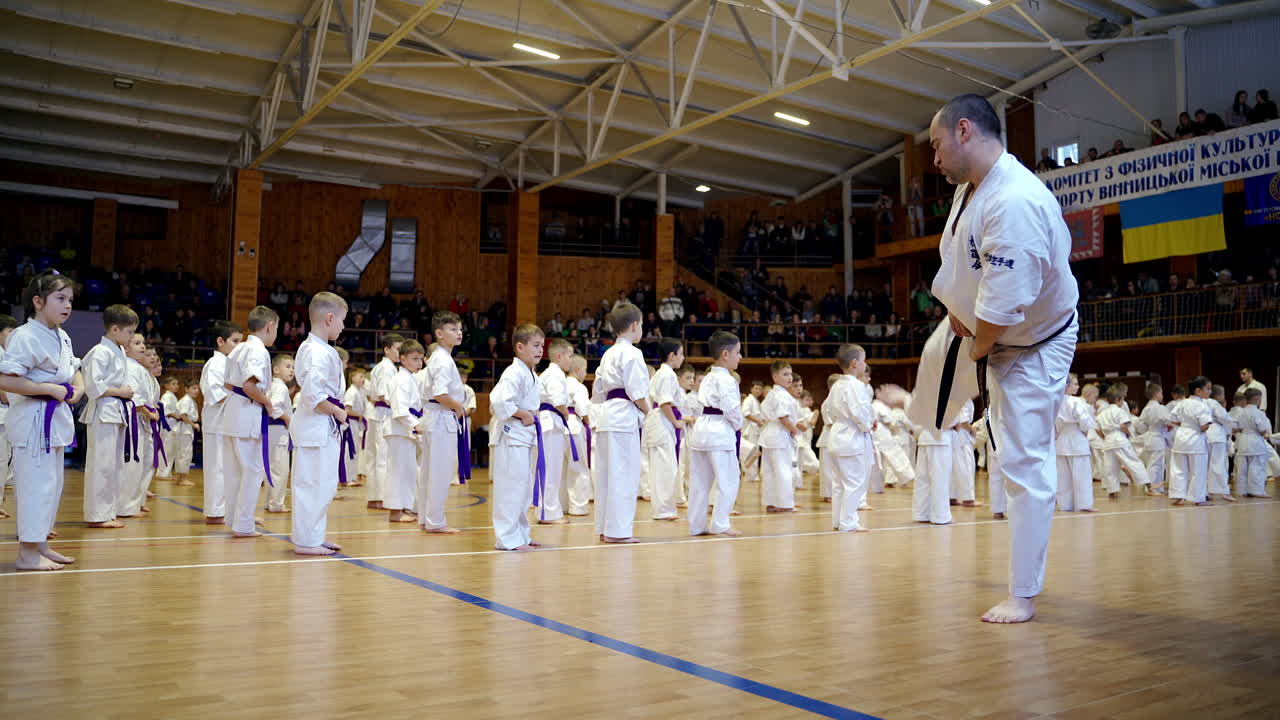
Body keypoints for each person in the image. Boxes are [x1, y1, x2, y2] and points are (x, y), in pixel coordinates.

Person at [928, 94, 1079, 623]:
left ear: (964, 130)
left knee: (1024, 464)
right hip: (987, 331)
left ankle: (1023, 593)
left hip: (1033, 343)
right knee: (937, 415)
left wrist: (976, 347)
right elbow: (960, 262)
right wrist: (956, 311)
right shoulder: (971, 188)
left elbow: (1002, 307)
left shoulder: (1015, 201)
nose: (934, 158)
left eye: (937, 144)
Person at [0, 270, 84, 570]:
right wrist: (48, 389)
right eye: (60, 298)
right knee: (35, 486)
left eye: (70, 300)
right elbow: (6, 379)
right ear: (38, 301)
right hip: (33, 419)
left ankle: (41, 545)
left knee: (52, 485)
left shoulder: (62, 336)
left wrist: (78, 388)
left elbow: (74, 369)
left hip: (55, 419)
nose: (67, 305)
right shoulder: (24, 336)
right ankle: (26, 553)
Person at [289, 291, 349, 555]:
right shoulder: (315, 351)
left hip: (322, 425)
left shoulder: (322, 349)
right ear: (330, 318)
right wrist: (338, 412)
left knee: (323, 484)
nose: (343, 327)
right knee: (311, 484)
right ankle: (306, 541)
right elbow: (313, 395)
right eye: (342, 320)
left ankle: (314, 535)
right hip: (316, 424)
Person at [591, 303, 651, 543]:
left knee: (606, 475)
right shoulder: (632, 353)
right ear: (635, 325)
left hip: (607, 415)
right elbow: (637, 391)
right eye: (642, 325)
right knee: (623, 474)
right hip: (624, 417)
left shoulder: (608, 353)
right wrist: (649, 411)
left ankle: (605, 527)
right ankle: (618, 532)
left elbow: (597, 391)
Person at [220, 306, 279, 537]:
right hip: (247, 414)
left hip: (233, 412)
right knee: (252, 471)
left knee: (235, 471)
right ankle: (243, 525)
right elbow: (249, 385)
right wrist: (267, 402)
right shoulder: (258, 350)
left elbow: (228, 383)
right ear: (270, 326)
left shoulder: (240, 348)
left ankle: (235, 519)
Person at [81, 303, 140, 529]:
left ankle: (108, 511)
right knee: (101, 465)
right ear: (115, 329)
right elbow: (92, 387)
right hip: (103, 412)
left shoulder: (118, 351)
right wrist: (121, 392)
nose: (132, 337)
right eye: (130, 332)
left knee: (113, 466)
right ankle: (97, 515)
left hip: (116, 412)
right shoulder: (100, 352)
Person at [489, 323, 545, 551]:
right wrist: (524, 414)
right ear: (520, 347)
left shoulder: (530, 373)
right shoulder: (513, 372)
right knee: (510, 488)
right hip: (512, 435)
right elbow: (500, 401)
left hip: (523, 435)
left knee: (522, 488)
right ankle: (506, 538)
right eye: (536, 345)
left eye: (542, 346)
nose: (540, 350)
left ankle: (521, 534)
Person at [688, 331, 744, 537]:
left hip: (702, 428)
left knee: (699, 482)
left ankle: (696, 525)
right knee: (728, 479)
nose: (740, 357)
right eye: (737, 352)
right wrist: (738, 425)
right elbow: (731, 409)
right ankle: (720, 523)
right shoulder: (727, 379)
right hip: (719, 430)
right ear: (725, 354)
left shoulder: (708, 377)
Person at [419, 312, 468, 534]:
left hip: (434, 417)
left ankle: (426, 517)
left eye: (460, 329)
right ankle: (436, 521)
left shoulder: (440, 358)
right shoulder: (443, 360)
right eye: (453, 329)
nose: (459, 333)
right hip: (440, 417)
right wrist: (458, 407)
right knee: (439, 472)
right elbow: (440, 393)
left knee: (430, 471)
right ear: (439, 333)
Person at [826, 345, 874, 533]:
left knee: (839, 484)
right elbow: (860, 412)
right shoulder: (856, 385)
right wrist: (867, 426)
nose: (865, 364)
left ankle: (838, 521)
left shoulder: (837, 384)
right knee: (854, 483)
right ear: (855, 363)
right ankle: (848, 522)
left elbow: (829, 410)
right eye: (863, 360)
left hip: (837, 433)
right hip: (851, 436)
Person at [200, 321, 242, 524]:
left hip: (228, 422)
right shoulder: (214, 364)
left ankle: (227, 510)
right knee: (216, 467)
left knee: (228, 468)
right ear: (220, 341)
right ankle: (215, 512)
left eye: (240, 341)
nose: (238, 346)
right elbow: (215, 394)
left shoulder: (230, 363)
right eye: (235, 341)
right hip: (216, 422)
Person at [643, 338, 686, 522]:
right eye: (681, 353)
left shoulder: (661, 374)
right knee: (664, 468)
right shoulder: (667, 375)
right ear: (672, 355)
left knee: (662, 467)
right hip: (662, 421)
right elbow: (665, 402)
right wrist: (676, 422)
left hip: (658, 420)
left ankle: (664, 508)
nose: (683, 357)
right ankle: (663, 510)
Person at [535, 338, 577, 525]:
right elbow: (558, 400)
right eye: (570, 356)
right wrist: (566, 413)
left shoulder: (549, 373)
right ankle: (548, 513)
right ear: (559, 356)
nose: (571, 360)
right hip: (551, 422)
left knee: (551, 469)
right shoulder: (555, 374)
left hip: (549, 422)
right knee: (550, 469)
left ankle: (548, 510)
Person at [385, 340, 424, 524]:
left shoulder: (409, 378)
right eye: (415, 359)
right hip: (399, 429)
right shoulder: (400, 379)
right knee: (398, 471)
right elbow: (400, 410)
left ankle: (404, 508)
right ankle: (395, 512)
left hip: (404, 430)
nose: (419, 363)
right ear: (403, 359)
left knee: (407, 471)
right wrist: (415, 425)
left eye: (421, 359)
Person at [118, 333, 157, 519]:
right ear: (126, 348)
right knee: (132, 466)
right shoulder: (129, 367)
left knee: (142, 465)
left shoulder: (139, 368)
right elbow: (134, 399)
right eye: (137, 343)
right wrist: (150, 413)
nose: (142, 346)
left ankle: (136, 503)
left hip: (143, 421)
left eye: (143, 343)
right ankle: (126, 507)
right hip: (135, 419)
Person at [365, 333, 404, 510]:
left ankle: (374, 497)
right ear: (387, 349)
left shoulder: (380, 367)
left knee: (374, 457)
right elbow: (383, 395)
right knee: (383, 458)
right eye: (397, 349)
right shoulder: (387, 368)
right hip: (384, 414)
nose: (400, 353)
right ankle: (381, 498)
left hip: (377, 414)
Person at [1096, 384, 1150, 499]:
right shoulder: (1119, 411)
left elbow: (1097, 429)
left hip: (1108, 441)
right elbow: (1123, 426)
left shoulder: (1102, 413)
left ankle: (1112, 490)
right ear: (1118, 399)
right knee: (1133, 461)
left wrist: (1105, 436)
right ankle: (1148, 484)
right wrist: (1128, 434)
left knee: (1110, 467)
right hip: (1119, 439)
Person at [1054, 373, 1095, 512]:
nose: (1078, 387)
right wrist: (1084, 430)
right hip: (1077, 439)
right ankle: (1084, 505)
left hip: (1061, 441)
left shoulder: (1055, 401)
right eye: (1075, 384)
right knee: (1082, 475)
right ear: (1066, 386)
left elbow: (1054, 424)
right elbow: (1085, 421)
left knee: (1063, 477)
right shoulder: (1075, 401)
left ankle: (1065, 505)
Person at [1170, 376, 1213, 506]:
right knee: (1197, 470)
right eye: (1208, 389)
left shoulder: (1182, 403)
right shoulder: (1202, 406)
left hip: (1181, 437)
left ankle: (1179, 496)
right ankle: (1198, 498)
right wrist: (1196, 427)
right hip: (1195, 439)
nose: (1210, 392)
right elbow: (1204, 426)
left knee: (1179, 469)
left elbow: (1173, 419)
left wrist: (1185, 424)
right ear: (1198, 391)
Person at [264, 354, 294, 513]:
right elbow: (273, 407)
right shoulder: (281, 387)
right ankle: (276, 504)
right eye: (287, 366)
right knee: (280, 469)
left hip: (270, 430)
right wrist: (287, 418)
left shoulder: (271, 385)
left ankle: (270, 502)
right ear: (275, 370)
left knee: (270, 468)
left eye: (293, 367)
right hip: (278, 431)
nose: (292, 370)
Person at [565, 354, 593, 516]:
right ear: (578, 369)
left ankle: (561, 505)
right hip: (574, 426)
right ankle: (578, 507)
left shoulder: (560, 382)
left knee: (561, 469)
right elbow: (582, 409)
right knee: (579, 467)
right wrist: (588, 422)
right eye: (585, 370)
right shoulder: (579, 387)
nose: (585, 374)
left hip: (558, 427)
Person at [1232, 389, 1271, 497]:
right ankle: (1257, 491)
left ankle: (1243, 491)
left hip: (1243, 442)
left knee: (1243, 469)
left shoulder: (1240, 412)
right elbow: (1262, 430)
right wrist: (1265, 433)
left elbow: (1236, 428)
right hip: (1256, 443)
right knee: (1256, 468)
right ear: (1257, 399)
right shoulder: (1259, 413)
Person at [1135, 383, 1173, 494]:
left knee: (1152, 464)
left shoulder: (1146, 408)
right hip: (1157, 438)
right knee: (1156, 465)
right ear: (1156, 394)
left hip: (1149, 437)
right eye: (1161, 393)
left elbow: (1140, 426)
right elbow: (1169, 422)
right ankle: (1151, 488)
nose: (1162, 395)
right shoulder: (1160, 408)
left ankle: (1156, 488)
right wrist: (1167, 427)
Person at [1206, 384, 1237, 503]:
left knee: (1206, 465)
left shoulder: (1202, 402)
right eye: (1223, 394)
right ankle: (1224, 491)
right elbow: (1226, 419)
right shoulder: (1215, 404)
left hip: (1205, 435)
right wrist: (1233, 427)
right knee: (1219, 464)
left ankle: (1207, 491)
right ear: (1218, 395)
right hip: (1217, 435)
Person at [948, 400, 979, 507]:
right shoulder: (964, 398)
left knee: (954, 467)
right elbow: (963, 420)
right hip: (962, 435)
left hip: (954, 435)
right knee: (967, 465)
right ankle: (968, 499)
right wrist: (972, 429)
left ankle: (952, 496)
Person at [172, 380, 200, 487]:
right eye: (193, 388)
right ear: (186, 389)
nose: (196, 391)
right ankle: (182, 478)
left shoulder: (189, 400)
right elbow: (183, 415)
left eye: (197, 389)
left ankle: (180, 478)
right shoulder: (186, 400)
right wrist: (194, 425)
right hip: (184, 428)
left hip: (184, 428)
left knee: (182, 453)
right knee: (185, 453)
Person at [343, 369, 368, 487]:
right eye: (360, 376)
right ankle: (347, 478)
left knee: (355, 450)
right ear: (353, 378)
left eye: (364, 377)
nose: (363, 379)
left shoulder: (360, 391)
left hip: (356, 423)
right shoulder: (351, 392)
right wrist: (359, 415)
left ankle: (352, 477)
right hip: (350, 423)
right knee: (350, 450)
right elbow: (347, 410)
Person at [156, 376, 181, 482]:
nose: (176, 386)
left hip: (172, 424)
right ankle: (162, 472)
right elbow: (164, 410)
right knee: (166, 448)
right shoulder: (167, 396)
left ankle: (167, 472)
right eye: (173, 384)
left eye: (177, 384)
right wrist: (176, 415)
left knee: (171, 449)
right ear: (166, 386)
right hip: (167, 424)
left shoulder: (172, 396)